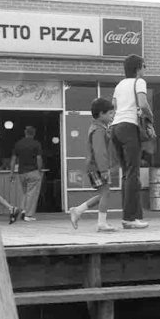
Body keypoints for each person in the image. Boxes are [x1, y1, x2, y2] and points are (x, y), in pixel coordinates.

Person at [110, 54, 150, 229]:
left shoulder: (119, 85)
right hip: (129, 127)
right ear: (139, 67)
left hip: (116, 128)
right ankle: (129, 218)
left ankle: (134, 215)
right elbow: (143, 103)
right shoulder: (139, 82)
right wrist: (149, 116)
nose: (144, 69)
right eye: (144, 66)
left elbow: (114, 106)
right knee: (133, 172)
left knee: (126, 173)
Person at [69, 98, 117, 232]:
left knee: (104, 194)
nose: (112, 116)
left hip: (95, 167)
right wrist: (104, 170)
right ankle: (101, 223)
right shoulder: (98, 130)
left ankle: (78, 210)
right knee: (105, 193)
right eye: (110, 113)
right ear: (101, 114)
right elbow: (99, 151)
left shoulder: (99, 127)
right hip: (97, 167)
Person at [9, 126, 43, 221]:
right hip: (33, 171)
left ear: (25, 132)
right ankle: (28, 215)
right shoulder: (36, 144)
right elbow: (39, 158)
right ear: (34, 134)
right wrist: (39, 170)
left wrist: (12, 173)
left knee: (25, 193)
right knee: (32, 194)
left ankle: (23, 210)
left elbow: (13, 159)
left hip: (21, 173)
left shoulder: (18, 144)